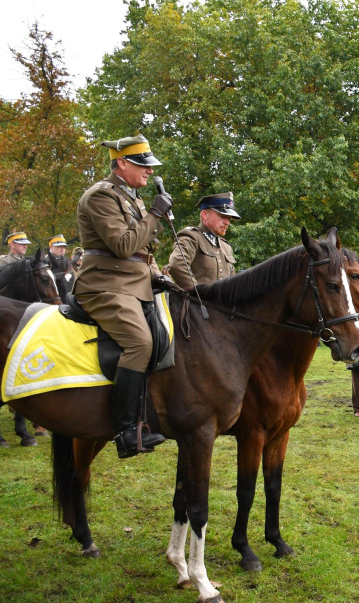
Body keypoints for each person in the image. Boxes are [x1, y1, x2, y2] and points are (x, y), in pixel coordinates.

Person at [74, 134, 174, 459]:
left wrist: (158, 272)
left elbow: (143, 249)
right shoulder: (100, 196)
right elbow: (123, 246)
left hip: (135, 283)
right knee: (140, 343)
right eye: (142, 166)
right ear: (121, 163)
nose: (149, 172)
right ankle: (126, 430)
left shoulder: (131, 198)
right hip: (105, 286)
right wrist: (155, 216)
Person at [166, 192, 238, 286]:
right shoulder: (192, 236)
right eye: (223, 216)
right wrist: (197, 294)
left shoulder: (226, 247)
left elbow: (232, 284)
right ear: (205, 215)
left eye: (229, 218)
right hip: (194, 300)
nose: (227, 222)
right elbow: (177, 265)